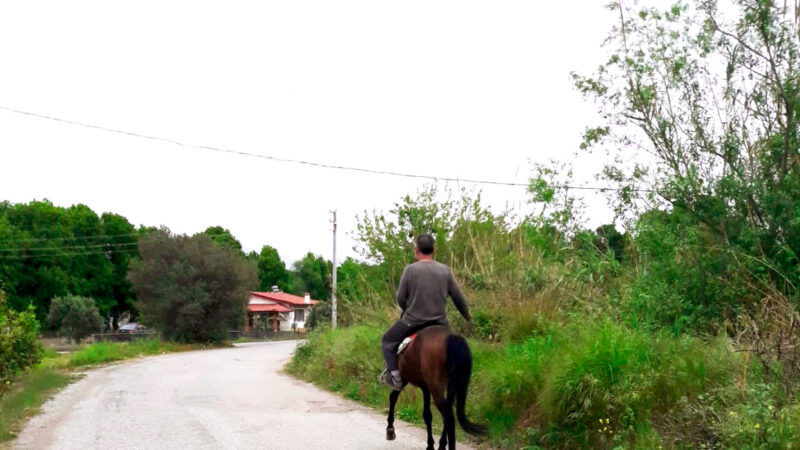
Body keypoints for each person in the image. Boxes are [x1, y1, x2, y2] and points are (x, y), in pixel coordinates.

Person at [379, 234, 472, 391]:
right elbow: (458, 298)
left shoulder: (410, 270)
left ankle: (396, 378)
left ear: (416, 250)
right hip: (440, 324)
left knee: (387, 341)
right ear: (434, 250)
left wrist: (408, 309)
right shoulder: (445, 271)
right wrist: (467, 316)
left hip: (413, 322)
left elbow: (400, 298)